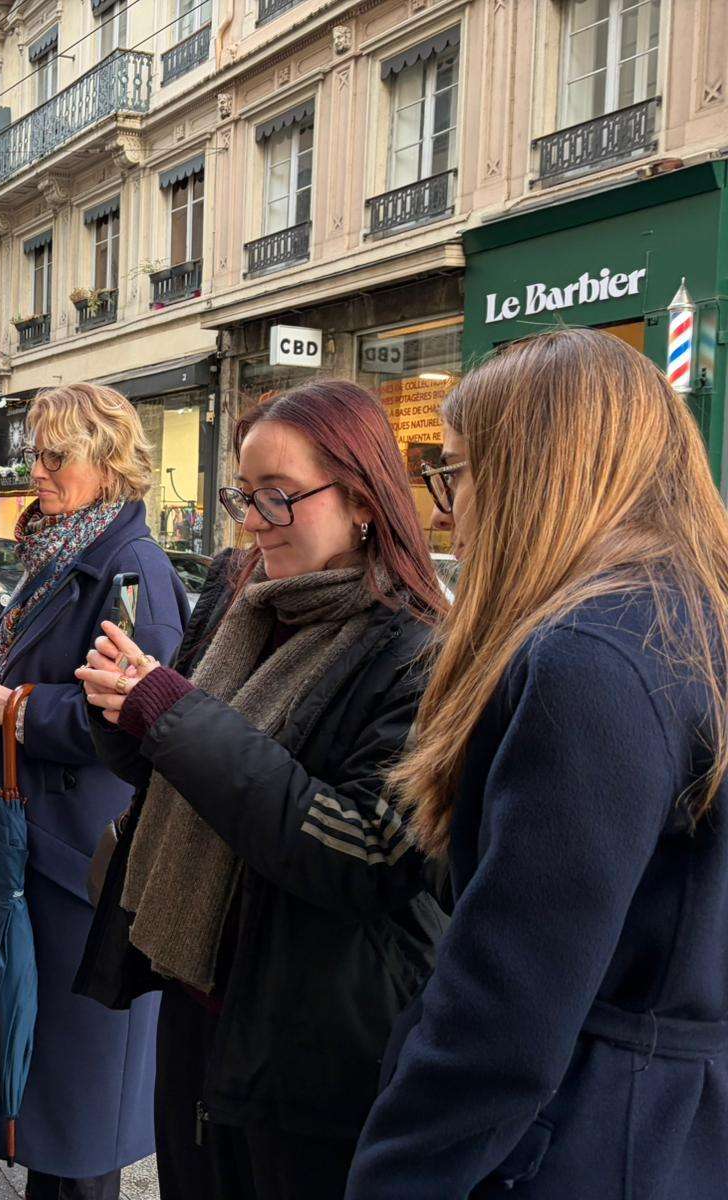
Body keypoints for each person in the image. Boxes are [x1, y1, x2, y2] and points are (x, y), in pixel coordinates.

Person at [346, 328, 728, 1198]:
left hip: (583, 1139)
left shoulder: (591, 656)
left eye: (456, 471)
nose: (444, 509)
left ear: (534, 472)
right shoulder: (689, 621)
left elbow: (506, 1007)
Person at [74, 381, 448, 1199]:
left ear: (361, 501)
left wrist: (171, 712)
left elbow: (367, 853)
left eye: (278, 499)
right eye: (246, 495)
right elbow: (175, 772)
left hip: (310, 1034)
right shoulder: (242, 596)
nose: (251, 521)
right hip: (199, 995)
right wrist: (122, 709)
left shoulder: (416, 648)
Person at [0, 383, 188, 1200]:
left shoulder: (130, 566)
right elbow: (64, 675)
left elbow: (141, 718)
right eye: (32, 455)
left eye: (55, 457)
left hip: (74, 862)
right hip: (38, 847)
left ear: (109, 465)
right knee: (44, 1088)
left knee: (78, 1101)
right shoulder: (68, 550)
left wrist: (19, 708)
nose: (34, 472)